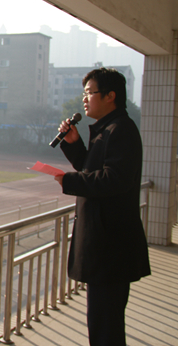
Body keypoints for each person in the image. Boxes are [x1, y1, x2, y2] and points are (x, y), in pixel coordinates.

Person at [54, 68, 150, 346]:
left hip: (112, 248)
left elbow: (115, 179)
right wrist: (74, 145)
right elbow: (93, 168)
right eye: (84, 93)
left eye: (89, 93)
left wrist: (69, 181)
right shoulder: (108, 129)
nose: (84, 99)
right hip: (106, 247)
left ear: (111, 96)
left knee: (105, 328)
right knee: (102, 324)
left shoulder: (121, 130)